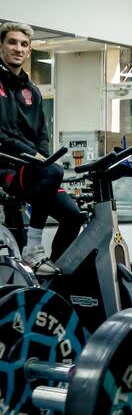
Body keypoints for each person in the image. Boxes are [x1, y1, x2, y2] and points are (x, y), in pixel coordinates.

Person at [0, 22, 81, 275]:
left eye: (24, 44)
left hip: (34, 169)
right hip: (6, 165)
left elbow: (42, 132)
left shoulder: (32, 91)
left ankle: (53, 273)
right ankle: (33, 248)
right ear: (1, 46)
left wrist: (42, 156)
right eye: (12, 42)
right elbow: (3, 134)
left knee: (73, 216)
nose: (18, 48)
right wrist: (32, 155)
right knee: (53, 172)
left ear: (29, 51)